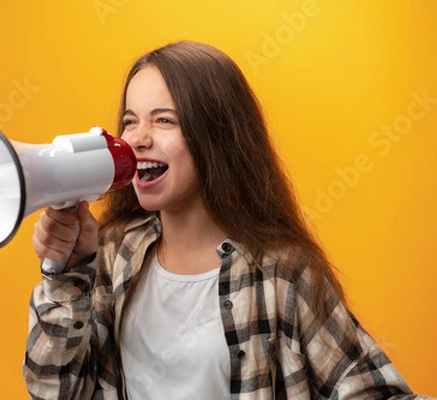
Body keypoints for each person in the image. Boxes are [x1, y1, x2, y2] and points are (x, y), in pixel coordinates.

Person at [23, 41, 428, 399]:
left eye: (164, 120)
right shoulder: (110, 255)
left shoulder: (279, 272)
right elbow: (53, 390)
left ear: (215, 134)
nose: (138, 138)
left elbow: (368, 391)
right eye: (130, 120)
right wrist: (67, 274)